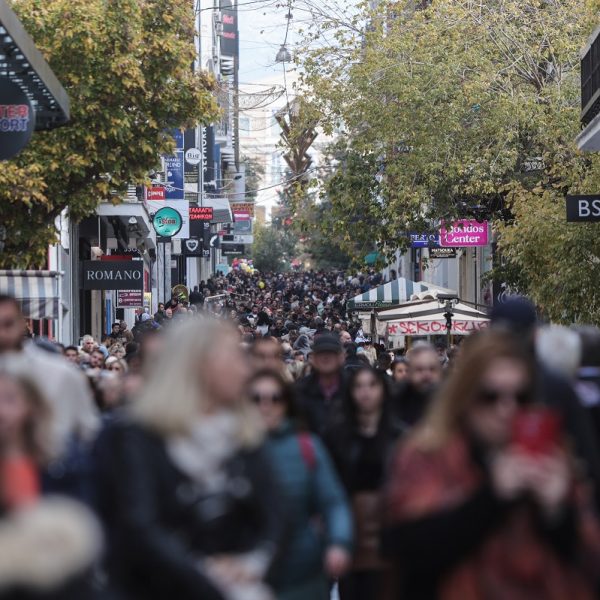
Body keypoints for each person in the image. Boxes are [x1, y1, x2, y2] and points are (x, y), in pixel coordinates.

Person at [382, 330, 600, 599]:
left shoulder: (551, 455)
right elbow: (409, 551)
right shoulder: (426, 454)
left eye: (519, 397)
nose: (506, 409)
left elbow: (586, 559)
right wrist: (490, 498)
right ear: (466, 396)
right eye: (490, 396)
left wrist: (558, 512)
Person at [96, 317, 284, 600]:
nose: (245, 367)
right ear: (198, 363)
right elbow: (138, 529)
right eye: (233, 354)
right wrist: (206, 575)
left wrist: (251, 563)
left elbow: (274, 516)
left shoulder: (247, 434)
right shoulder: (133, 438)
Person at [250, 369, 353, 600]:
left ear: (286, 403)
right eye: (256, 399)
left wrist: (339, 542)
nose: (265, 406)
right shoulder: (231, 447)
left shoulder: (307, 446)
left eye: (275, 399)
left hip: (303, 574)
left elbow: (333, 501)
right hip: (249, 576)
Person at [325, 367, 403, 600]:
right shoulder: (337, 436)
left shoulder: (399, 436)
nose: (365, 392)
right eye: (359, 386)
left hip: (389, 532)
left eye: (371, 385)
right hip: (351, 532)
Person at [0, 295, 99, 475]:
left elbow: (89, 435)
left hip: (51, 479)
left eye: (7, 324)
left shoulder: (61, 374)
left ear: (22, 324)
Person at [295, 334, 347, 437]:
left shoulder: (353, 387)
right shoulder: (300, 389)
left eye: (331, 353)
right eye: (321, 353)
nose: (326, 357)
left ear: (341, 357)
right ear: (313, 358)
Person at [393, 344, 443, 428]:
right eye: (419, 369)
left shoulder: (452, 405)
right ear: (410, 373)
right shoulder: (395, 406)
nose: (426, 374)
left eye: (432, 369)